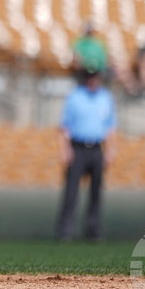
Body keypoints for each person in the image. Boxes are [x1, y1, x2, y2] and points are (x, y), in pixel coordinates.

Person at [55, 47, 117, 242]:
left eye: (95, 74)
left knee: (96, 192)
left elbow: (110, 128)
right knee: (71, 191)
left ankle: (93, 230)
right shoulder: (75, 96)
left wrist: (111, 150)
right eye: (89, 75)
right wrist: (65, 150)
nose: (92, 79)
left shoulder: (106, 97)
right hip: (78, 147)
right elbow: (64, 127)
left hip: (97, 148)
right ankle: (65, 230)